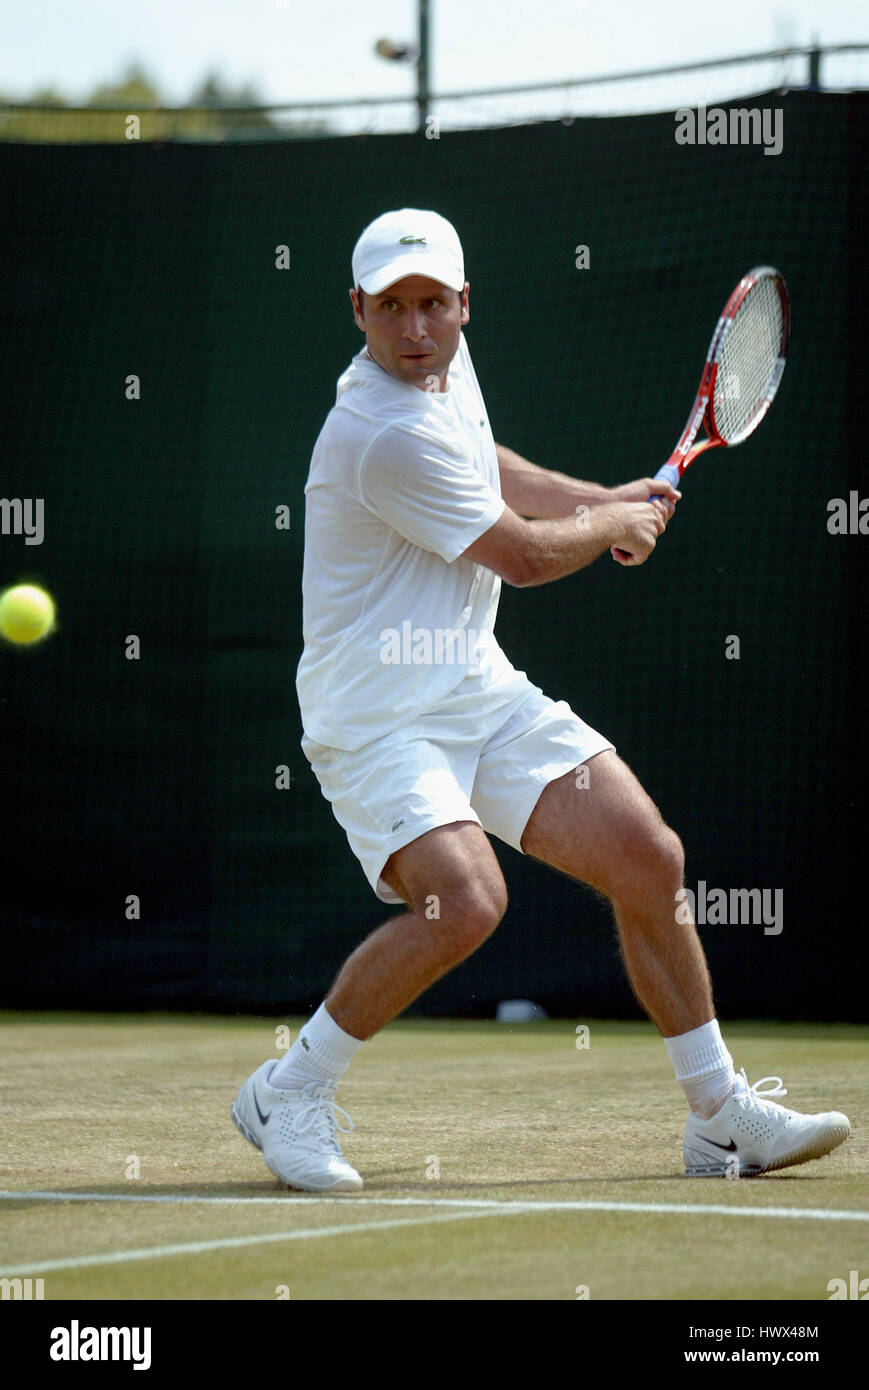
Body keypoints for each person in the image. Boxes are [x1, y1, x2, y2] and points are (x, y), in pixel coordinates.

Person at [231, 209, 850, 1191]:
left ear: (462, 303)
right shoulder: (375, 429)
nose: (415, 327)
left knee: (646, 856)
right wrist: (607, 520)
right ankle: (288, 1090)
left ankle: (718, 1116)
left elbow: (491, 469)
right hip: (374, 714)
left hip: (471, 685)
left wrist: (592, 498)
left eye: (432, 302)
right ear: (357, 311)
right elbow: (517, 556)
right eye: (390, 307)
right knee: (463, 902)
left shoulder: (444, 375)